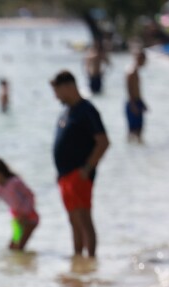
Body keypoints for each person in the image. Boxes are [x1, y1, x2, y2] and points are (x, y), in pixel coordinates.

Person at [51, 70, 109, 258]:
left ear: (69, 86)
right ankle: (78, 262)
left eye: (57, 90)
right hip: (64, 176)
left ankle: (91, 259)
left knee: (84, 219)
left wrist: (87, 168)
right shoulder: (66, 112)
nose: (56, 96)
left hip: (79, 174)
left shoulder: (87, 110)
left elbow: (103, 142)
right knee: (73, 220)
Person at [125, 50, 148, 142]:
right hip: (133, 102)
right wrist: (133, 104)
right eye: (144, 60)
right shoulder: (132, 71)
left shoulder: (135, 71)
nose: (145, 62)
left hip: (136, 101)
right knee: (133, 132)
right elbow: (129, 89)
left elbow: (136, 90)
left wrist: (142, 103)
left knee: (138, 132)